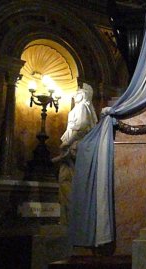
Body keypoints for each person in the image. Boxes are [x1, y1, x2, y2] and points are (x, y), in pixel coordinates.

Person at [52, 83, 98, 224]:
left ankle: (72, 216)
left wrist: (68, 142)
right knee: (66, 180)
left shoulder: (82, 107)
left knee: (67, 180)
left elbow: (81, 127)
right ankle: (68, 217)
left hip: (74, 147)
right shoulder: (80, 108)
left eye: (78, 92)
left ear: (83, 95)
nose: (74, 94)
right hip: (73, 147)